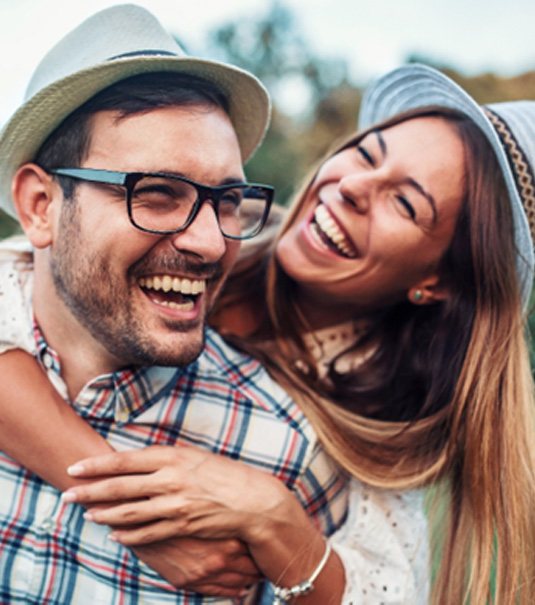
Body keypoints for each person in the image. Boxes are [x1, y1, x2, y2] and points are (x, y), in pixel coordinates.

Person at [0, 49, 534, 605]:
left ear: (438, 280)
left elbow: (389, 590)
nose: (353, 186)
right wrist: (133, 509)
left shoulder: (369, 425)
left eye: (404, 202)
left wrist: (274, 517)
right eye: (365, 152)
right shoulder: (219, 235)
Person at [0, 5, 350, 604]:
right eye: (157, 193)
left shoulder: (288, 455)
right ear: (40, 206)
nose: (211, 242)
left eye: (229, 200)